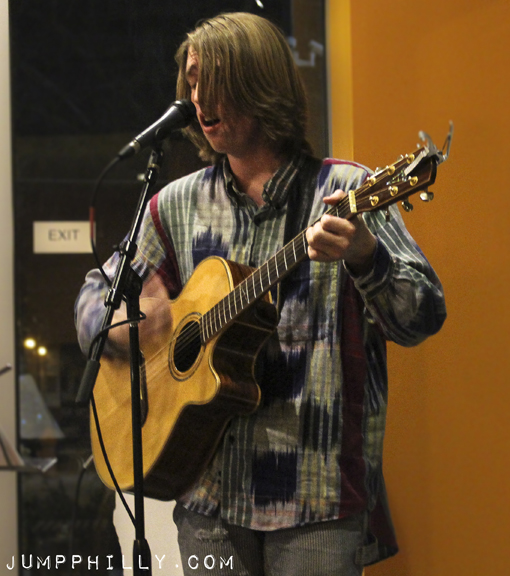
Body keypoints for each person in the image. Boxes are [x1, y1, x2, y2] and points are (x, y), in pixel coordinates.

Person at [74, 12, 446, 576]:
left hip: (315, 498)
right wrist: (125, 325)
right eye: (192, 82)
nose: (199, 99)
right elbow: (95, 294)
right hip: (207, 497)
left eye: (215, 81)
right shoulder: (174, 205)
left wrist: (366, 256)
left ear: (261, 84)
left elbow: (423, 314)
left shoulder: (345, 190)